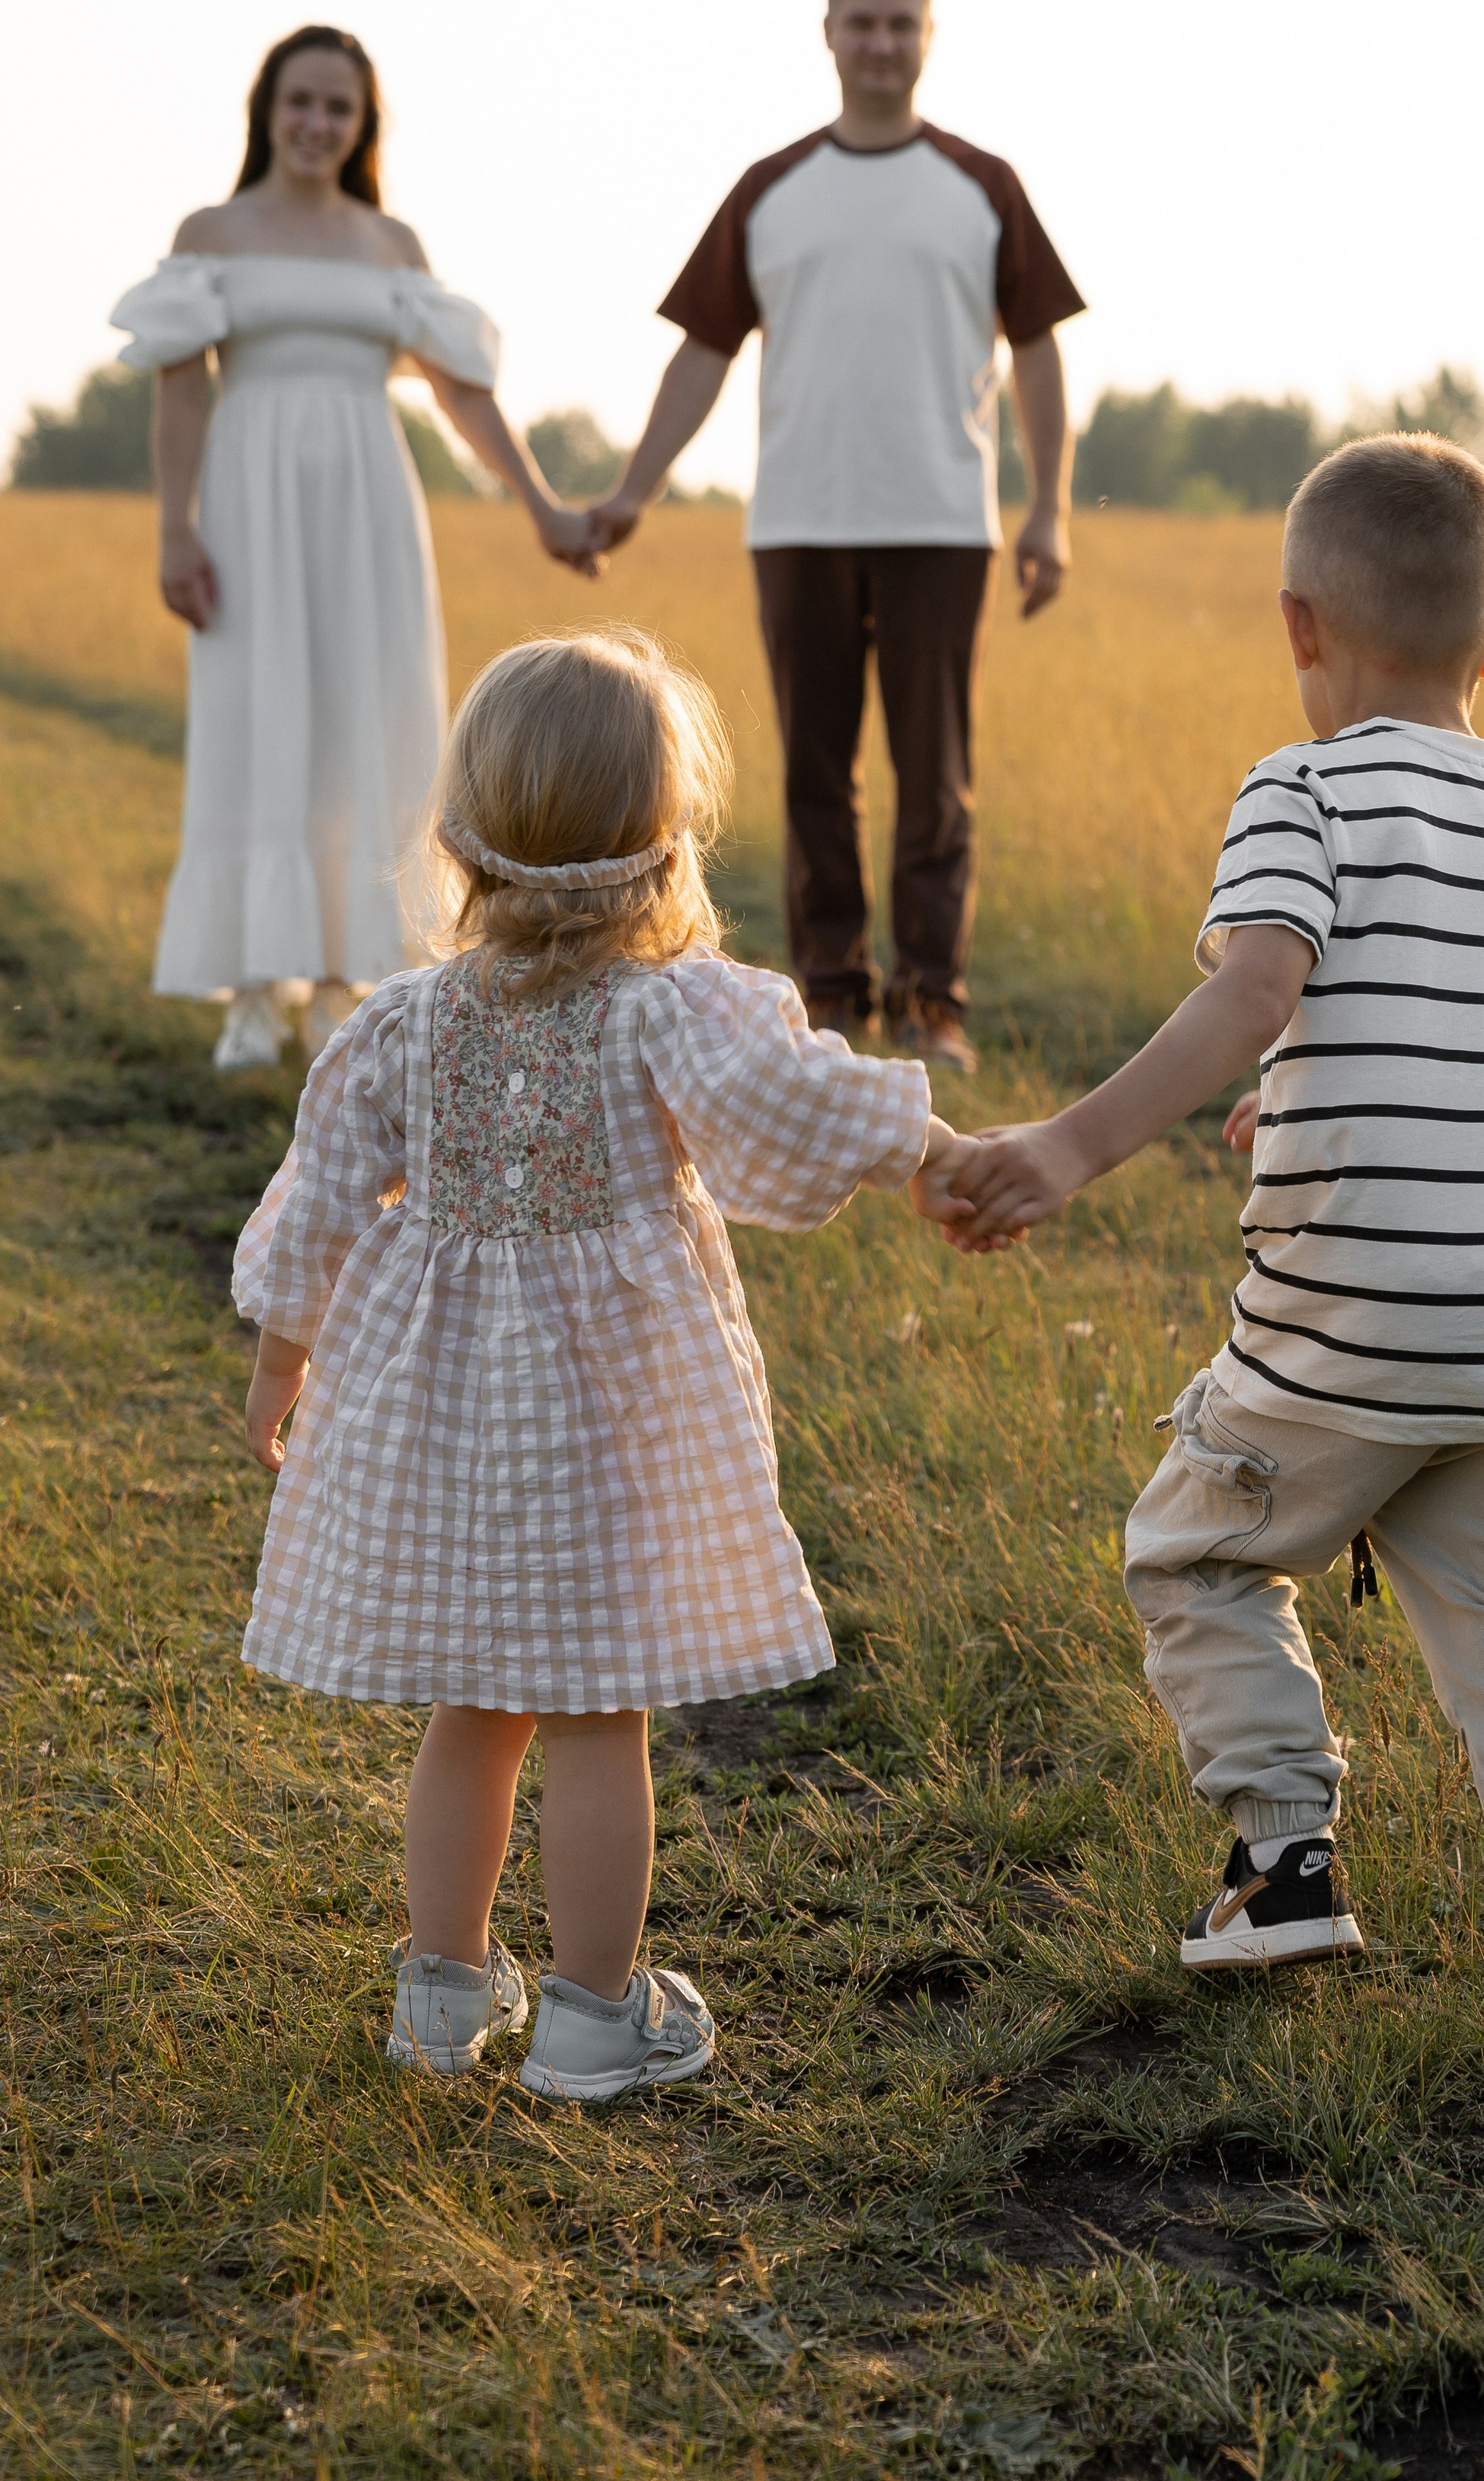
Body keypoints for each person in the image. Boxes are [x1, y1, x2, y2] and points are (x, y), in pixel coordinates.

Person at [946, 434, 1484, 2096]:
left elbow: (1261, 988)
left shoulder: (1301, 787)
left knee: (1194, 1544)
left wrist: (1066, 1148)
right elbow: (1466, 1054)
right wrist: (1285, 1111)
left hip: (1359, 1309)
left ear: (1296, 624)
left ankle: (1280, 1861)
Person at [234, 627, 978, 2098]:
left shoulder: (402, 1024)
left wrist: (282, 1365)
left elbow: (316, 1200)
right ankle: (591, 2013)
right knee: (594, 1710)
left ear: (464, 836)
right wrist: (935, 1150)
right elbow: (797, 1104)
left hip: (447, 1419)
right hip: (616, 1419)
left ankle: (440, 1995)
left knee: (475, 1702)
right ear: (661, 840)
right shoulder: (667, 1008)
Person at [587, 0, 1084, 1074]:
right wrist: (632, 492)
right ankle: (829, 996)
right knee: (818, 773)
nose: (882, 43)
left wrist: (1050, 510)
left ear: (929, 35)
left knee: (933, 774)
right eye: (863, 23)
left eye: (902, 24)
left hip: (943, 521)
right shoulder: (773, 189)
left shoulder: (983, 185)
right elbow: (702, 352)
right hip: (800, 521)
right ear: (827, 32)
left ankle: (931, 1004)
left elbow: (1040, 351)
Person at [111, 23, 598, 1074]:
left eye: (339, 108)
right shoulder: (212, 230)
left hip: (371, 507)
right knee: (257, 712)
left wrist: (543, 504)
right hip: (248, 501)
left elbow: (464, 394)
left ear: (362, 125)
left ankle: (345, 987)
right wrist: (173, 526)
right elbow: (181, 383)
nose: (316, 123)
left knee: (368, 718)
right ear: (266, 110)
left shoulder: (392, 246)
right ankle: (253, 990)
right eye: (300, 102)